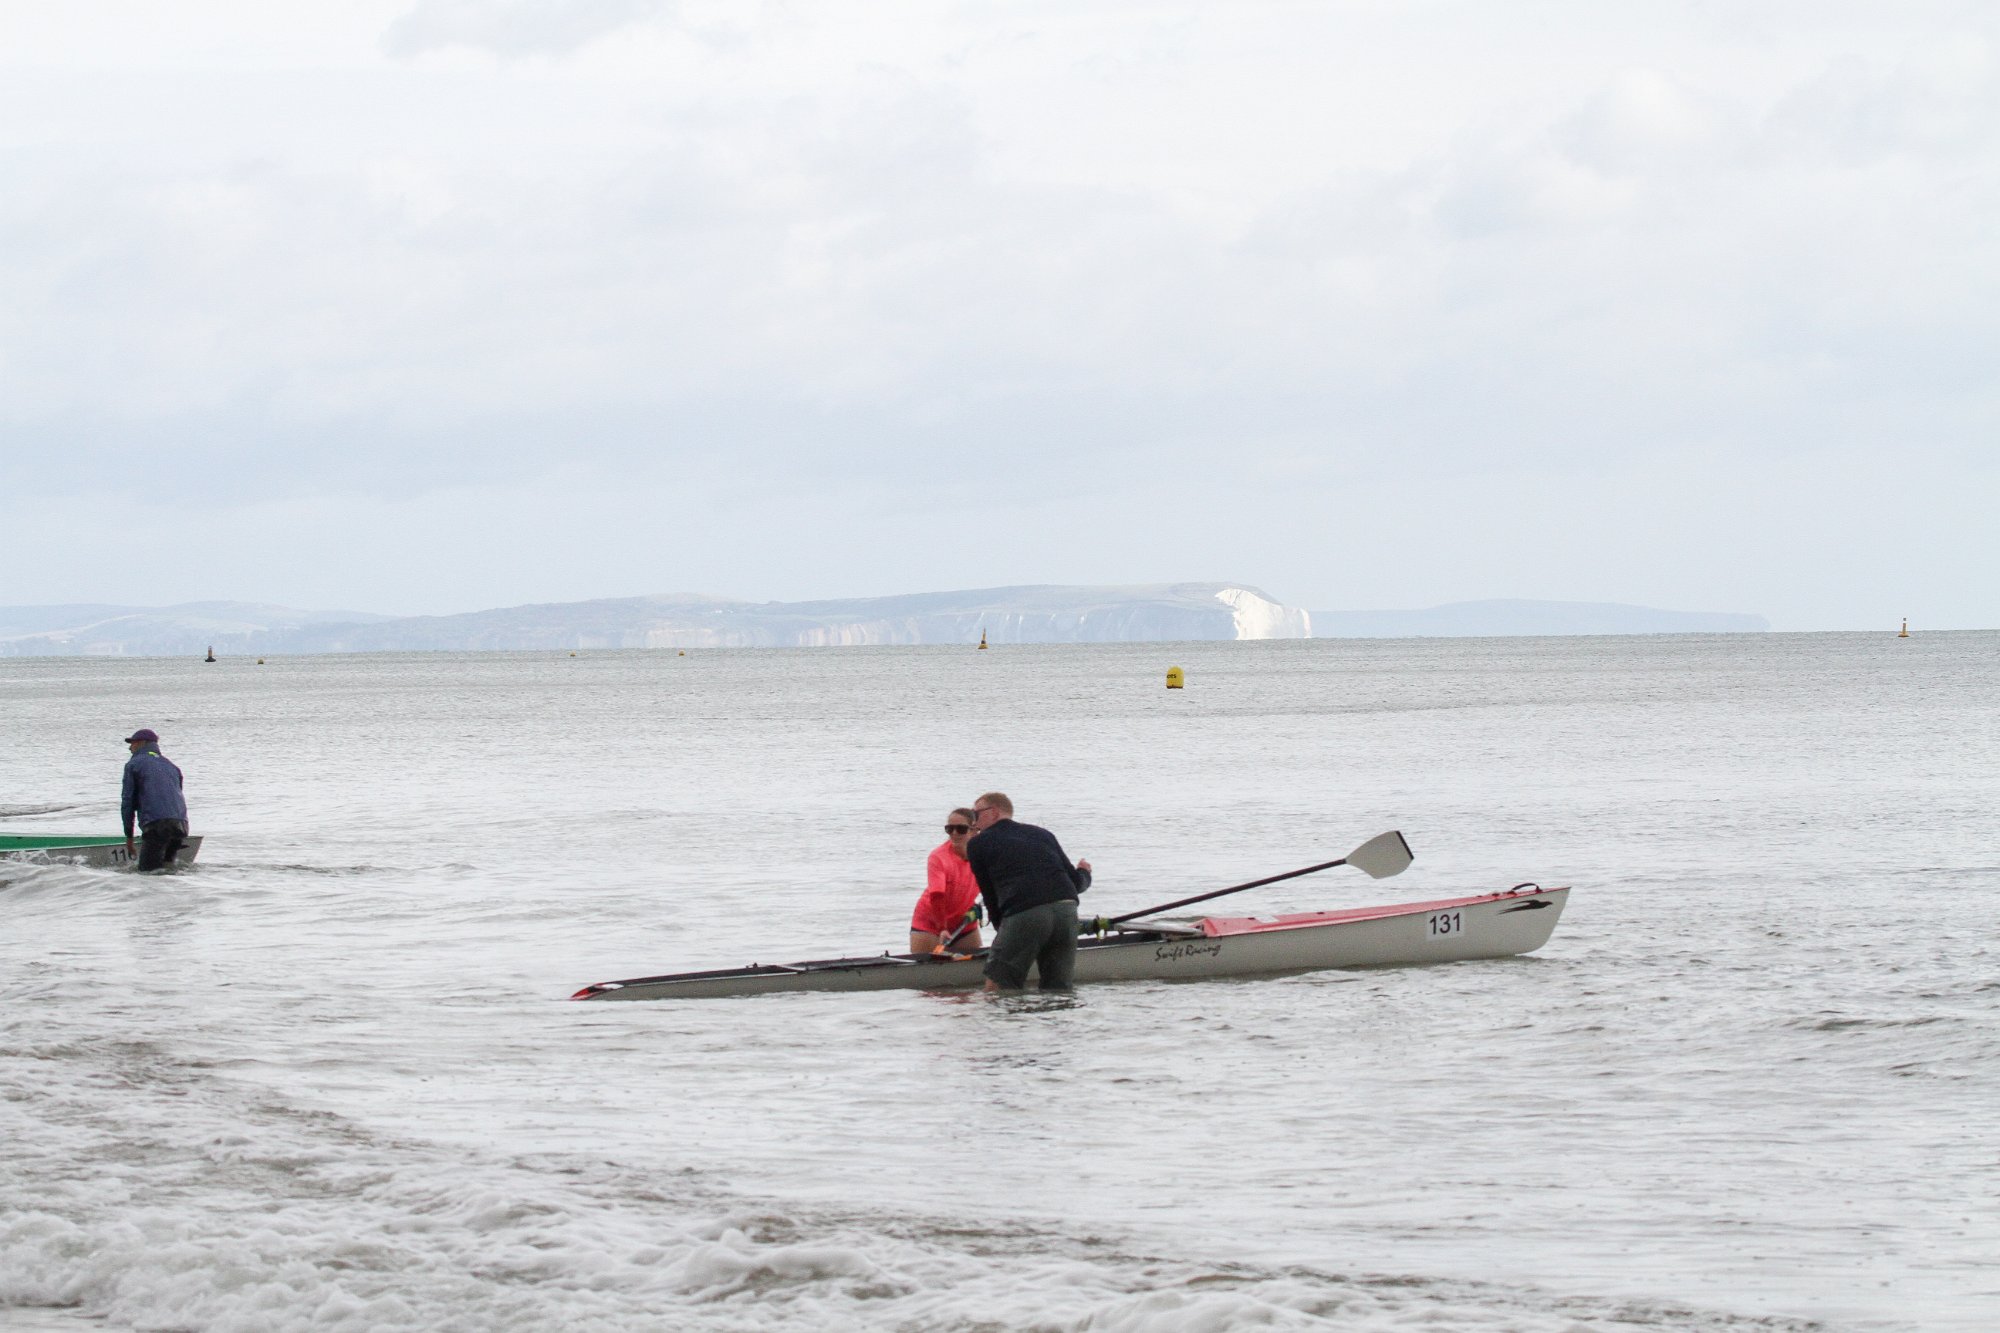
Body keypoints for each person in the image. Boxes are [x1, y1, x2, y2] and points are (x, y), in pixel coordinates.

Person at [965, 791, 1091, 991]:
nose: (974, 823)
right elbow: (1076, 883)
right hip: (1066, 910)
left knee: (998, 987)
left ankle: (1002, 1022)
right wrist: (1085, 872)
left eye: (976, 815)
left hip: (1025, 912)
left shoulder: (978, 843)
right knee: (1059, 989)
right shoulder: (1043, 834)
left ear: (994, 812)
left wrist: (1002, 931)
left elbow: (989, 894)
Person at [909, 807, 984, 955]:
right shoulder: (938, 857)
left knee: (979, 967)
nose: (954, 834)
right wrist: (942, 928)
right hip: (931, 923)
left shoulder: (983, 855)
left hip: (964, 923)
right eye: (949, 829)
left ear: (974, 830)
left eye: (961, 829)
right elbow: (937, 895)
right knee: (927, 972)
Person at [120, 728, 189, 871]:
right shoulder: (172, 766)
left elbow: (128, 802)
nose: (130, 747)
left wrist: (129, 837)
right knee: (168, 869)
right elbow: (177, 796)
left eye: (132, 743)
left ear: (141, 743)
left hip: (156, 825)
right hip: (181, 825)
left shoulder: (133, 765)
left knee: (147, 874)